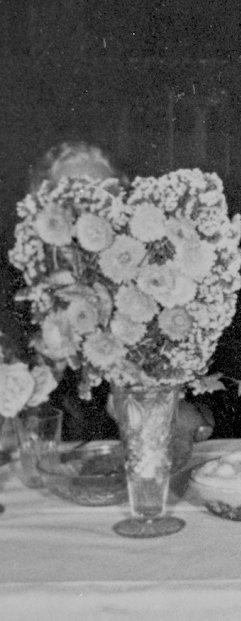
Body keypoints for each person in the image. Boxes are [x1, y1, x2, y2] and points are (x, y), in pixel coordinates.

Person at [16, 141, 214, 442]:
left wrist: (152, 400)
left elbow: (203, 426)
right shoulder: (19, 296)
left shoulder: (158, 288)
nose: (87, 217)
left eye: (101, 200)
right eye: (73, 201)